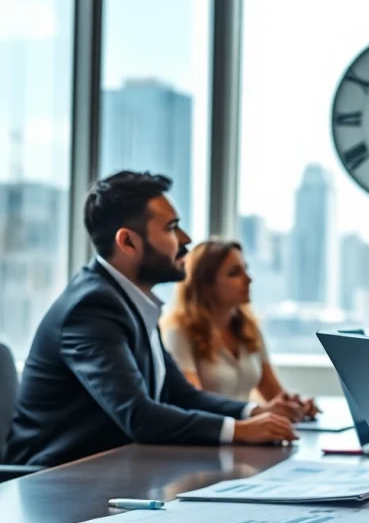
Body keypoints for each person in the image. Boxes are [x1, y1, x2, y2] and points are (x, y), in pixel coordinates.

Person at [3, 171, 300, 468]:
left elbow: (179, 394)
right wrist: (239, 431)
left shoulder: (131, 301)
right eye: (172, 228)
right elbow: (138, 415)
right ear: (127, 242)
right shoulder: (91, 308)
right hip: (55, 480)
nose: (186, 239)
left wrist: (252, 413)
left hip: (111, 473)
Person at [162, 239, 318, 418]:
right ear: (205, 285)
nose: (249, 279)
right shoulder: (180, 334)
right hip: (213, 432)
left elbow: (274, 393)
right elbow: (194, 402)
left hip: (250, 429)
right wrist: (255, 411)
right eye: (234, 273)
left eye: (246, 269)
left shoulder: (249, 330)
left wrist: (298, 406)